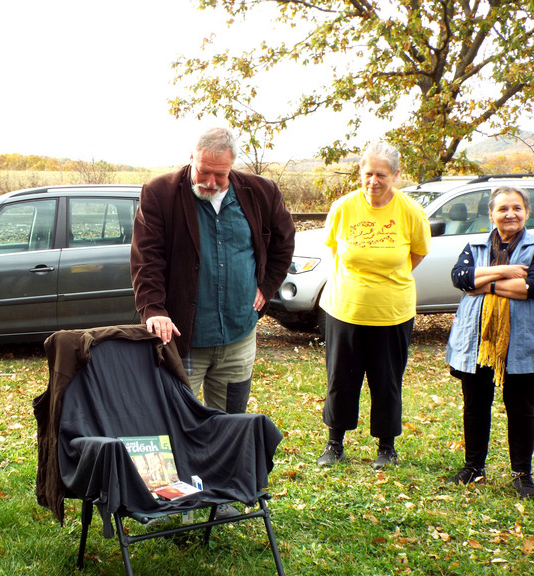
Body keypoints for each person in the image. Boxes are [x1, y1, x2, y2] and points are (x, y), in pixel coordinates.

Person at [130, 126, 295, 416]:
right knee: (177, 420)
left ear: (232, 166)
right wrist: (153, 309)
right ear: (191, 157)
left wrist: (267, 286)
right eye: (203, 171)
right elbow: (146, 258)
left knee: (229, 422)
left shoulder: (262, 192)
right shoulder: (160, 193)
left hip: (238, 336)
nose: (210, 182)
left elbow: (284, 243)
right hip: (184, 340)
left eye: (220, 174)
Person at [316, 141, 431, 470]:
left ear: (396, 175)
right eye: (368, 173)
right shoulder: (343, 207)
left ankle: (386, 447)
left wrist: (387, 279)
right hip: (345, 310)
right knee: (340, 379)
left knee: (387, 381)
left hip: (392, 313)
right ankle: (334, 444)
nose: (373, 181)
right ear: (360, 173)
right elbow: (335, 250)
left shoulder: (410, 211)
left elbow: (418, 253)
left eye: (381, 174)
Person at [445, 186, 534, 500]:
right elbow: (460, 278)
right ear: (491, 214)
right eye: (503, 209)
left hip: (522, 341)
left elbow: (531, 287)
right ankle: (473, 467)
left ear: (526, 212)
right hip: (478, 340)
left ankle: (522, 474)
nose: (510, 214)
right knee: (475, 405)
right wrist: (505, 271)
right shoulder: (475, 245)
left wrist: (485, 283)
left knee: (521, 408)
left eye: (517, 208)